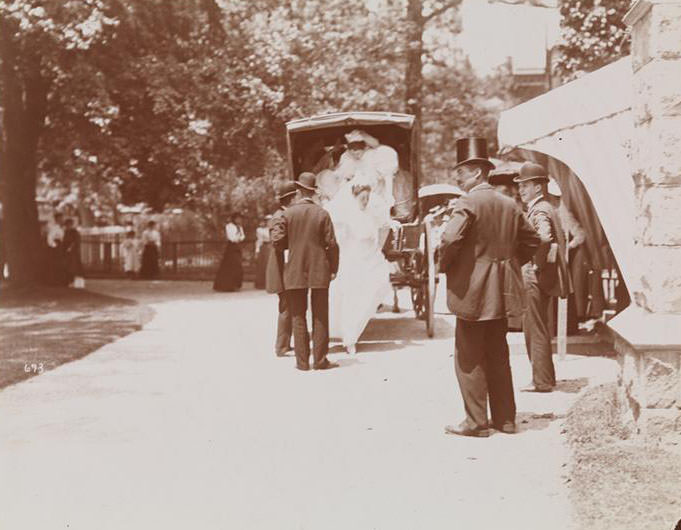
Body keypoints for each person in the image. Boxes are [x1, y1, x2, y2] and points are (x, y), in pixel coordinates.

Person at [438, 138, 540, 438]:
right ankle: (506, 420)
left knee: (469, 357)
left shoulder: (467, 202)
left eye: (462, 172)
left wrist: (448, 267)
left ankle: (476, 422)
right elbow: (533, 240)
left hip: (472, 291)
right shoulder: (509, 204)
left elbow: (449, 240)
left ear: (477, 173)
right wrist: (508, 263)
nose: (457, 177)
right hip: (503, 291)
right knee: (498, 354)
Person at [271, 172, 339, 371]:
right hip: (320, 270)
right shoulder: (322, 213)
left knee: (298, 315)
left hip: (294, 271)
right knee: (320, 315)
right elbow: (332, 245)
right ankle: (320, 361)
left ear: (298, 191)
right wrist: (333, 268)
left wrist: (290, 247)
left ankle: (302, 363)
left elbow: (277, 241)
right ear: (313, 191)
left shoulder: (287, 214)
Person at [514, 163, 571, 393]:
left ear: (538, 187)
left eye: (525, 185)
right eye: (520, 186)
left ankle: (542, 381)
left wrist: (532, 261)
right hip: (542, 274)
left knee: (534, 328)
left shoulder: (538, 210)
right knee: (539, 327)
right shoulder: (547, 206)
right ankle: (546, 377)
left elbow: (544, 237)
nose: (521, 190)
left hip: (534, 275)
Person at [326, 178, 392, 354]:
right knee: (351, 300)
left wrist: (379, 247)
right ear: (354, 197)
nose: (365, 201)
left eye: (367, 197)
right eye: (362, 197)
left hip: (371, 259)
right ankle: (350, 338)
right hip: (352, 261)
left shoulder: (371, 214)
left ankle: (353, 332)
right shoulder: (346, 217)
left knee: (372, 292)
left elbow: (381, 230)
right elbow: (339, 241)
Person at [266, 183, 297, 357]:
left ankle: (284, 343)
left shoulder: (283, 214)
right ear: (291, 199)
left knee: (288, 306)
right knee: (286, 306)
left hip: (283, 266)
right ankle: (281, 346)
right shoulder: (280, 216)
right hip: (281, 268)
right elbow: (277, 241)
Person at [213, 213, 245, 291]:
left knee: (238, 266)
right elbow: (232, 238)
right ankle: (226, 285)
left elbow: (243, 236)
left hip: (238, 247)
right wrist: (238, 237)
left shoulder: (239, 227)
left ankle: (236, 285)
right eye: (237, 218)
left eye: (240, 218)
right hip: (231, 247)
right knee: (230, 265)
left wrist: (239, 238)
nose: (239, 220)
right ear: (234, 219)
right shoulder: (229, 226)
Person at [62, 218, 83, 286]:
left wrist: (71, 247)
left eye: (69, 225)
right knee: (66, 265)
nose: (68, 226)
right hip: (65, 251)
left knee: (73, 266)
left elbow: (76, 241)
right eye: (67, 225)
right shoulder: (65, 231)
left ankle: (72, 280)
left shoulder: (74, 232)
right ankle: (67, 280)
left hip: (72, 251)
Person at [254, 216, 271, 289]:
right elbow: (259, 241)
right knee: (264, 264)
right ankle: (262, 283)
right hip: (265, 248)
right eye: (268, 220)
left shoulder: (274, 229)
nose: (269, 222)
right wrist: (257, 251)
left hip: (272, 247)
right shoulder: (260, 230)